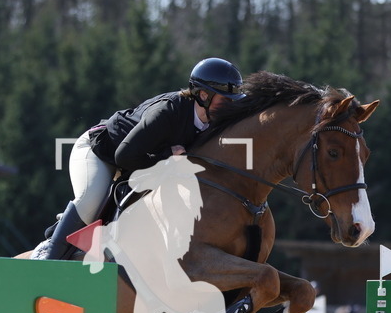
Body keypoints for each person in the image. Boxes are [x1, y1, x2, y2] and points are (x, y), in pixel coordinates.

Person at [33, 57, 245, 260]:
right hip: (100, 151)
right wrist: (167, 156)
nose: (230, 108)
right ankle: (49, 254)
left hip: (139, 162)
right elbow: (124, 156)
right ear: (203, 95)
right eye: (225, 100)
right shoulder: (167, 112)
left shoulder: (213, 123)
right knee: (91, 199)